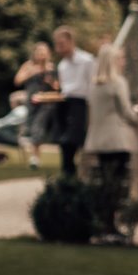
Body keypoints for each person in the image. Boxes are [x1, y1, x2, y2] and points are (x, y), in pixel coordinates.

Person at [82, 41, 138, 220]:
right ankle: (112, 218)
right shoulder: (118, 83)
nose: (123, 62)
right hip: (117, 139)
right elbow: (126, 112)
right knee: (118, 182)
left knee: (105, 180)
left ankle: (104, 218)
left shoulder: (94, 85)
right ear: (113, 61)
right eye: (121, 58)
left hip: (99, 138)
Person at [52, 26, 95, 176]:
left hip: (80, 104)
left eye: (61, 43)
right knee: (64, 142)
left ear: (70, 41)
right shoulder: (62, 66)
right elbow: (64, 89)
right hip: (65, 103)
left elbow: (91, 85)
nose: (59, 48)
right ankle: (68, 174)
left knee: (72, 140)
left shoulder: (86, 60)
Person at [13, 40, 57, 168]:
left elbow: (57, 86)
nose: (41, 54)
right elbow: (17, 80)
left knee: (38, 127)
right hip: (31, 102)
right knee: (31, 127)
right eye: (39, 52)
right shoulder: (28, 66)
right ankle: (35, 156)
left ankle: (35, 158)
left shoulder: (51, 68)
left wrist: (50, 81)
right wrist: (34, 72)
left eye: (44, 52)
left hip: (45, 103)